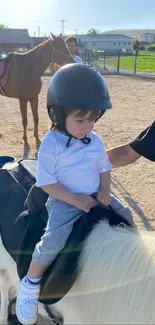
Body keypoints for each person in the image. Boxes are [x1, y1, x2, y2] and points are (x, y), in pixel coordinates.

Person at [16, 64, 133, 325]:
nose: (87, 126)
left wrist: (104, 190)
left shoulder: (94, 140)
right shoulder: (51, 144)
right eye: (80, 120)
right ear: (57, 114)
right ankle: (30, 283)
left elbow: (103, 167)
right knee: (53, 241)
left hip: (93, 193)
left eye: (92, 119)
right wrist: (75, 199)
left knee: (125, 213)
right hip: (64, 199)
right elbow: (47, 184)